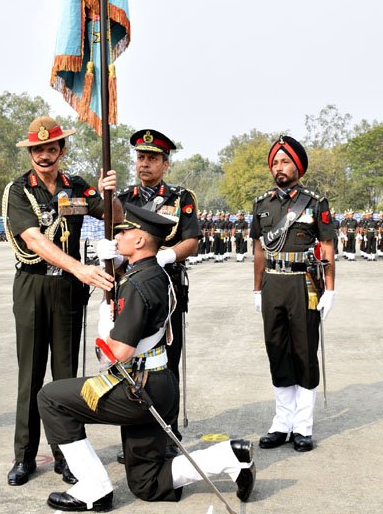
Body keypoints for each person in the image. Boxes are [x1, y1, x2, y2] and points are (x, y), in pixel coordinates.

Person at [37, 204, 255, 512]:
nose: (117, 237)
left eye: (123, 232)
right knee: (147, 483)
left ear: (140, 241)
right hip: (160, 384)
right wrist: (106, 264)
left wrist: (103, 319)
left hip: (138, 389)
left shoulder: (139, 284)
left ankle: (93, 487)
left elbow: (115, 353)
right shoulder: (156, 275)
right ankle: (229, 457)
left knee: (51, 398)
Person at [2, 116, 120, 486]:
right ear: (30, 153)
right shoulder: (19, 190)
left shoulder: (79, 186)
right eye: (37, 150)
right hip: (34, 286)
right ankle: (24, 456)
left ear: (61, 150)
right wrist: (80, 269)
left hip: (69, 291)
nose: (44, 155)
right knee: (31, 375)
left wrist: (108, 195)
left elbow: (113, 219)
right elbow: (35, 240)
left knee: (66, 377)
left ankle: (67, 455)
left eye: (51, 148)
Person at [103, 129, 200, 461]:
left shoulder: (180, 197)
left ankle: (168, 434)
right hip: (130, 288)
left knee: (166, 364)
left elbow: (191, 239)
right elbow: (117, 240)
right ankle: (136, 435)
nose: (145, 164)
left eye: (152, 158)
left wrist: (167, 254)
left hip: (166, 289)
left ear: (165, 163)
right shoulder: (123, 198)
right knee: (130, 362)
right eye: (141, 157)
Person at [251, 135, 336, 452]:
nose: (279, 167)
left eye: (285, 161)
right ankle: (281, 423)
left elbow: (327, 246)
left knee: (304, 352)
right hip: (273, 283)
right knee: (277, 351)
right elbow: (259, 250)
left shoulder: (315, 204)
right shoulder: (262, 204)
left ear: (298, 166)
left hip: (304, 285)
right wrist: (257, 288)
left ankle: (302, 426)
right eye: (275, 162)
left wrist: (330, 288)